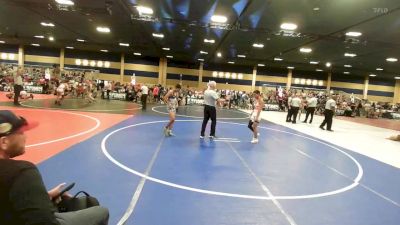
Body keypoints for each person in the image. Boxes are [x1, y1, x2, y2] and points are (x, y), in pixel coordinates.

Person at [0, 110, 109, 225]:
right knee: (100, 211)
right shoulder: (21, 173)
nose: (25, 137)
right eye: (21, 132)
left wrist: (42, 197)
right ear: (4, 142)